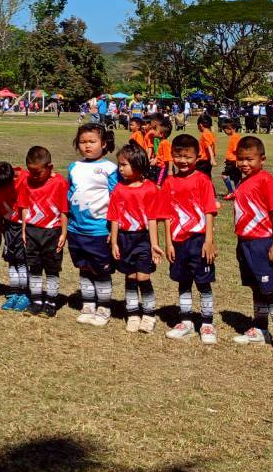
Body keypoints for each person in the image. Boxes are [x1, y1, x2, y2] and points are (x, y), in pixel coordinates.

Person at [231, 136, 273, 357]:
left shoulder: (266, 180)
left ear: (262, 159)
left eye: (249, 159)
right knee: (256, 287)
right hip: (245, 244)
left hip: (262, 243)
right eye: (240, 159)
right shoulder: (243, 181)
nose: (244, 163)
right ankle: (260, 329)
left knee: (269, 289)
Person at [162, 134, 219, 344]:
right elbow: (166, 215)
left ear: (198, 156)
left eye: (188, 157)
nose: (183, 161)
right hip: (178, 243)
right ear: (172, 156)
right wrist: (168, 242)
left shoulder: (203, 180)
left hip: (199, 241)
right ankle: (186, 322)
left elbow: (209, 211)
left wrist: (209, 241)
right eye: (178, 156)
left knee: (203, 283)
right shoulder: (169, 182)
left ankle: (207, 323)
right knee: (183, 282)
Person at [107, 142, 166, 334]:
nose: (120, 168)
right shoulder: (118, 189)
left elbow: (152, 219)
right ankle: (132, 313)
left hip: (143, 239)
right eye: (119, 164)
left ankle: (149, 315)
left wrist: (154, 244)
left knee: (143, 277)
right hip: (124, 239)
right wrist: (114, 242)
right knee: (130, 276)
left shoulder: (150, 189)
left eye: (124, 164)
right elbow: (114, 217)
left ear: (138, 165)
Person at [67, 123, 118, 326]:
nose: (87, 146)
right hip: (76, 229)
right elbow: (69, 194)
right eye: (82, 142)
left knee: (101, 270)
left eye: (92, 141)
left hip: (99, 230)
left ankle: (104, 307)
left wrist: (113, 228)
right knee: (84, 267)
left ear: (103, 144)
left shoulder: (110, 169)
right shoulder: (74, 167)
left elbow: (116, 199)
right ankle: (88, 304)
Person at [14, 145, 68, 317]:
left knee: (52, 269)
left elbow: (64, 210)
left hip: (52, 232)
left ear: (49, 167)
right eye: (30, 171)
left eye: (37, 172)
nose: (34, 176)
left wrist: (64, 232)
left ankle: (51, 302)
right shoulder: (26, 182)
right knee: (35, 267)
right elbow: (24, 207)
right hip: (32, 231)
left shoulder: (59, 182)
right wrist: (24, 229)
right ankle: (36, 301)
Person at [0, 160, 30, 312]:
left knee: (22, 260)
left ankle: (25, 293)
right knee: (11, 259)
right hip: (8, 225)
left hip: (22, 226)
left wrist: (25, 229)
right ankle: (14, 291)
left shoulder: (25, 179)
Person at [221, 119, 241, 197]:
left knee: (224, 176)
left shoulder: (235, 137)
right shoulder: (235, 136)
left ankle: (231, 192)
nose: (225, 132)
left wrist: (237, 162)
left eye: (225, 130)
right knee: (236, 179)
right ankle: (238, 194)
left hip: (233, 161)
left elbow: (236, 150)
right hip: (232, 160)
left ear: (229, 128)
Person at [195, 115, 216, 180]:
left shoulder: (205, 134)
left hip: (203, 161)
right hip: (207, 161)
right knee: (207, 178)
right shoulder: (210, 133)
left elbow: (209, 146)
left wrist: (212, 159)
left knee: (199, 178)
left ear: (200, 125)